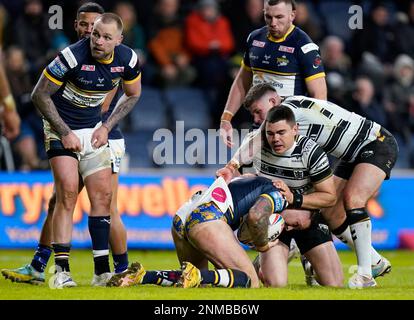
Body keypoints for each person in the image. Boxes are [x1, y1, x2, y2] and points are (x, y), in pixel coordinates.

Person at [1, 3, 134, 286]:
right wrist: (65, 131)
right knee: (64, 197)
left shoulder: (124, 59)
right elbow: (41, 94)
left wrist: (106, 126)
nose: (93, 36)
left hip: (103, 132)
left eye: (99, 31)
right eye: (88, 29)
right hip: (67, 129)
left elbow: (122, 96)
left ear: (117, 37)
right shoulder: (71, 56)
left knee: (102, 203)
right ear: (78, 27)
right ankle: (55, 269)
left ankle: (115, 269)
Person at [219, 83, 398, 288]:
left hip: (376, 142)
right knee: (331, 213)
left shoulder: (291, 111)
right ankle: (373, 260)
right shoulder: (292, 129)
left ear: (273, 102)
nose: (257, 119)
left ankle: (365, 275)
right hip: (350, 155)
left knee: (353, 199)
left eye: (258, 112)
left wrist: (231, 165)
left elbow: (256, 140)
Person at [107, 175, 319, 289]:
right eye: (296, 224)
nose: (289, 228)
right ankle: (194, 275)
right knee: (251, 282)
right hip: (208, 219)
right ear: (300, 207)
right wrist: (263, 245)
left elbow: (243, 229)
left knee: (200, 282)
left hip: (184, 215)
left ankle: (142, 276)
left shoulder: (254, 179)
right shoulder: (279, 195)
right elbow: (255, 217)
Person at [218, 106, 343, 287]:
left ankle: (304, 256)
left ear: (295, 129)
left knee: (335, 284)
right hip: (274, 220)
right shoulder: (257, 147)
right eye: (270, 133)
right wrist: (233, 171)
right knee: (276, 284)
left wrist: (294, 199)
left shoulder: (311, 153)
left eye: (281, 132)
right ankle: (266, 261)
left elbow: (329, 197)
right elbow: (245, 179)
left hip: (305, 218)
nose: (275, 139)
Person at [219, 0, 326, 147]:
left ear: (292, 15)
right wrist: (226, 118)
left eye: (279, 17)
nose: (273, 23)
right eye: (268, 17)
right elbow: (242, 81)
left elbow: (319, 96)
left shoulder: (304, 46)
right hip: (259, 129)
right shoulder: (254, 38)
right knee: (242, 168)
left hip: (289, 133)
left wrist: (309, 136)